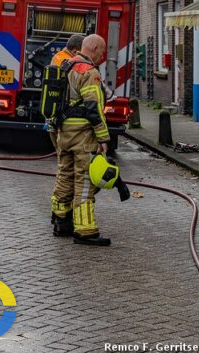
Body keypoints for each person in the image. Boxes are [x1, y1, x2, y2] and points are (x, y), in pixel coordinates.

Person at [51, 34, 113, 246]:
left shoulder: (65, 66)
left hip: (64, 133)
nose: (102, 57)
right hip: (82, 135)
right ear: (94, 48)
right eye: (102, 52)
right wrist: (103, 137)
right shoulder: (89, 72)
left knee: (64, 175)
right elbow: (93, 109)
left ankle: (61, 221)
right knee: (85, 180)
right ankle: (85, 231)